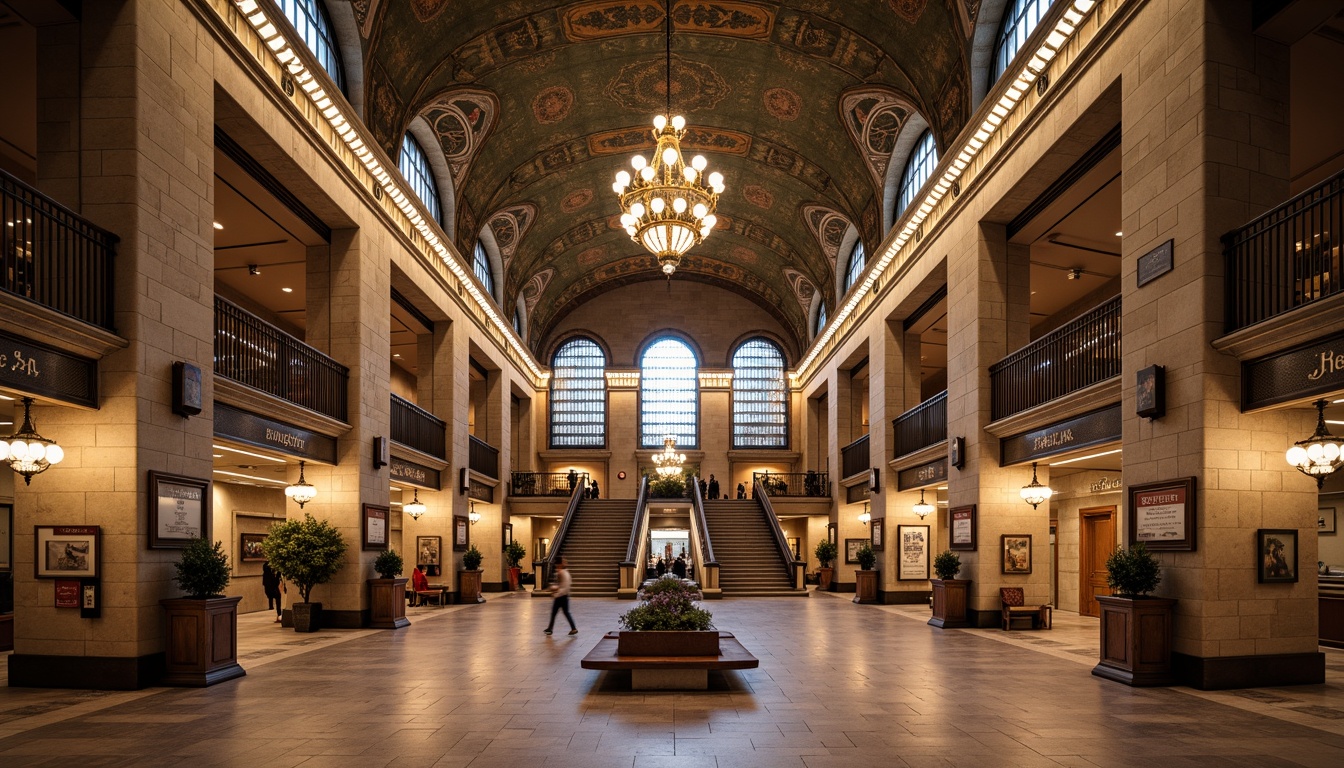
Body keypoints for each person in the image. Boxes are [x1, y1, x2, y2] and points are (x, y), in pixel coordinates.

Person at [544, 557, 577, 635]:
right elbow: (565, 585)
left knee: (554, 613)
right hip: (565, 596)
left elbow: (561, 586)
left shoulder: (561, 573)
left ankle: (550, 628)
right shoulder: (566, 572)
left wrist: (554, 593)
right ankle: (573, 628)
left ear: (559, 565)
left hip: (560, 596)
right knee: (566, 612)